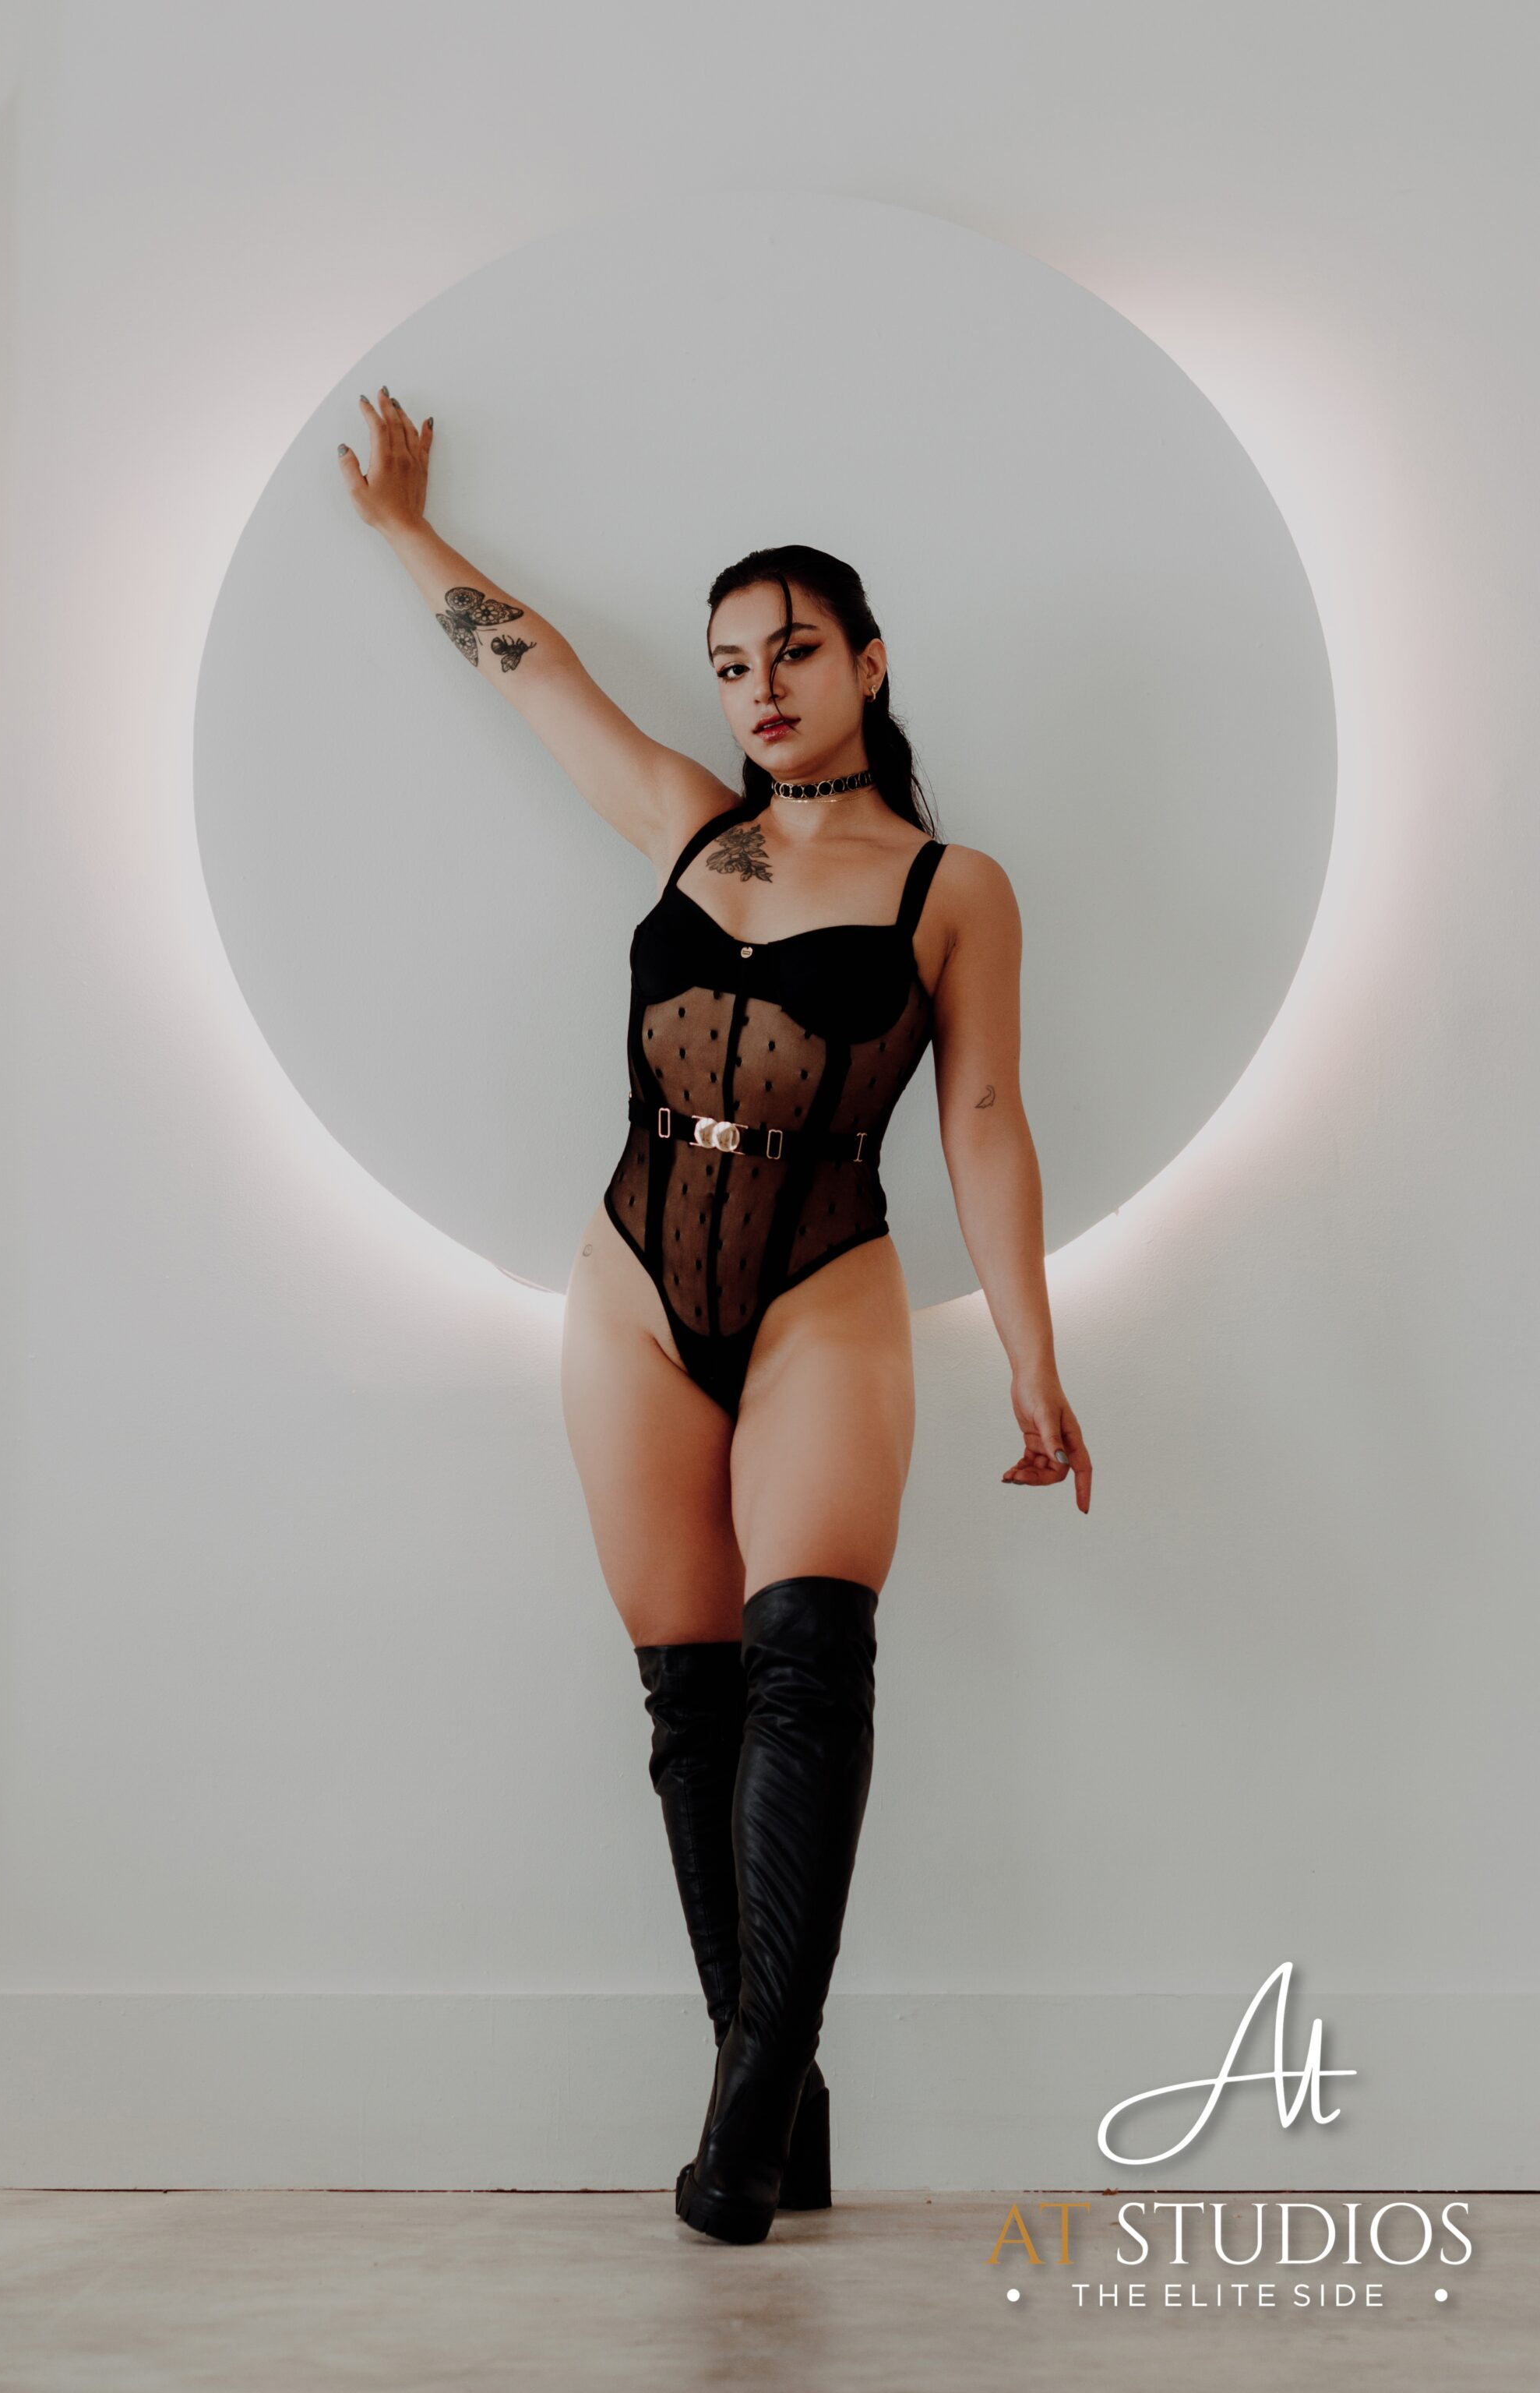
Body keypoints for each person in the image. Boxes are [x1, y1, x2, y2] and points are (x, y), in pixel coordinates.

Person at [340, 386, 1093, 2244]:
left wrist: (1030, 1347)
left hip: (825, 1277)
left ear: (868, 660)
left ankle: (747, 2122)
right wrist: (408, 531)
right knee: (690, 1702)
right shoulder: (690, 830)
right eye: (732, 663)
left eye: (794, 651)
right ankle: (774, 2091)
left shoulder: (952, 888)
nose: (759, 688)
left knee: (805, 1665)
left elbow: (985, 1118)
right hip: (630, 1286)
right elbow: (532, 671)